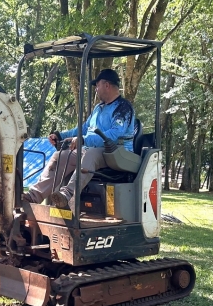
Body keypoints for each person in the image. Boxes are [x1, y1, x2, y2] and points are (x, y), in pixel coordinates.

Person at [22, 68, 136, 209]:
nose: (96, 89)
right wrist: (60, 135)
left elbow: (113, 135)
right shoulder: (99, 108)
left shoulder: (124, 108)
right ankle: (33, 196)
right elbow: (82, 128)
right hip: (96, 150)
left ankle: (66, 195)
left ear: (107, 85)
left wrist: (83, 140)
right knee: (61, 155)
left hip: (117, 152)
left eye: (97, 85)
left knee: (89, 155)